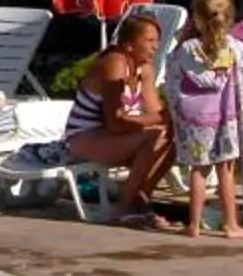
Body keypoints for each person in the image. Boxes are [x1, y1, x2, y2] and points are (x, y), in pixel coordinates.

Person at [162, 0, 243, 240]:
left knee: (198, 171)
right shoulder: (236, 49)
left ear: (198, 18)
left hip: (194, 121)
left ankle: (193, 224)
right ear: (230, 17)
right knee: (225, 172)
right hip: (224, 119)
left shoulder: (186, 49)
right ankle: (230, 224)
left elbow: (170, 78)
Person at [61, 12, 174, 226]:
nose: (156, 46)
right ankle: (122, 209)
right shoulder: (114, 64)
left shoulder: (145, 69)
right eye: (149, 40)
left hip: (112, 135)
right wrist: (162, 118)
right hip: (83, 137)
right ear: (129, 44)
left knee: (172, 137)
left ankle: (141, 199)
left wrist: (171, 118)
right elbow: (115, 122)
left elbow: (155, 113)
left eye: (157, 40)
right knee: (155, 135)